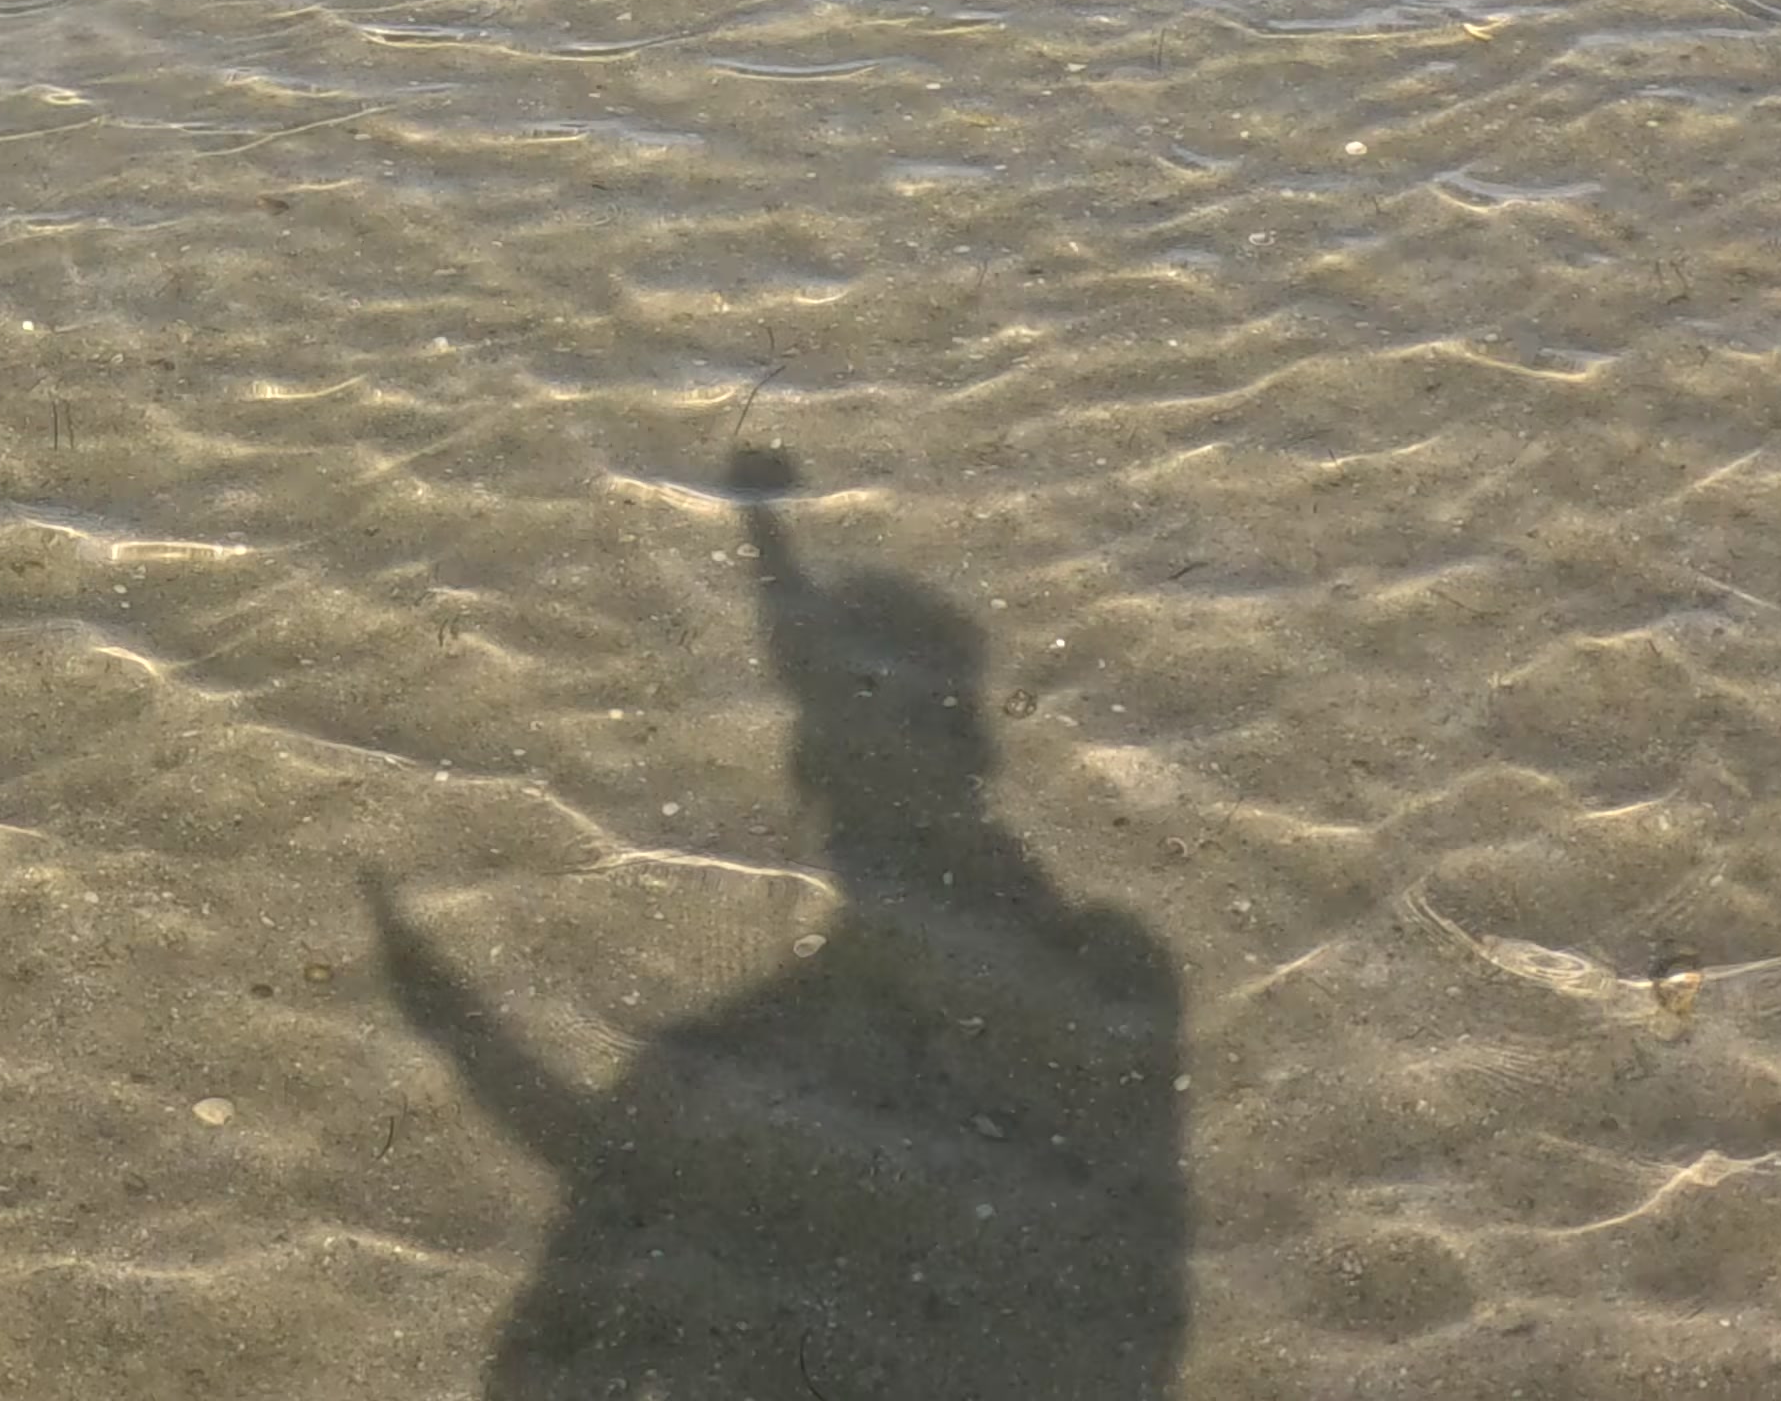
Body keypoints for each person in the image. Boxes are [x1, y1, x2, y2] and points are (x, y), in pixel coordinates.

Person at [370, 447, 1184, 1396]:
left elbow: (604, 1155)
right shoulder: (1108, 966)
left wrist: (458, 1031)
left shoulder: (802, 1018)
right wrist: (762, 528)